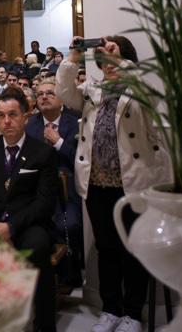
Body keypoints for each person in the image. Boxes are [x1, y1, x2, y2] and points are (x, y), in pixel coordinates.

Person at [57, 37, 172, 332]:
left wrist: (119, 59)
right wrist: (73, 58)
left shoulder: (141, 89)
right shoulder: (92, 90)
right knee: (106, 249)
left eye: (113, 57)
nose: (106, 64)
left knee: (133, 248)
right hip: (96, 183)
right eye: (102, 60)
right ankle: (111, 309)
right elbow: (65, 93)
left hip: (133, 183)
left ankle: (133, 313)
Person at [0, 88, 59, 332]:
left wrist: (11, 227)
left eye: (13, 114)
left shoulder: (43, 152)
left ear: (25, 117)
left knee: (37, 247)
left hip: (29, 223)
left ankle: (44, 325)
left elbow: (44, 203)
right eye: (1, 116)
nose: (6, 121)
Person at [26, 79, 83, 289]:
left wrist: (58, 142)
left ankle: (71, 273)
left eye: (50, 92)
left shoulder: (75, 121)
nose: (44, 97)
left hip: (69, 192)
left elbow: (82, 159)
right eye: (40, 94)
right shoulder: (30, 125)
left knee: (71, 224)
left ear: (61, 99)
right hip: (38, 191)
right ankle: (49, 279)